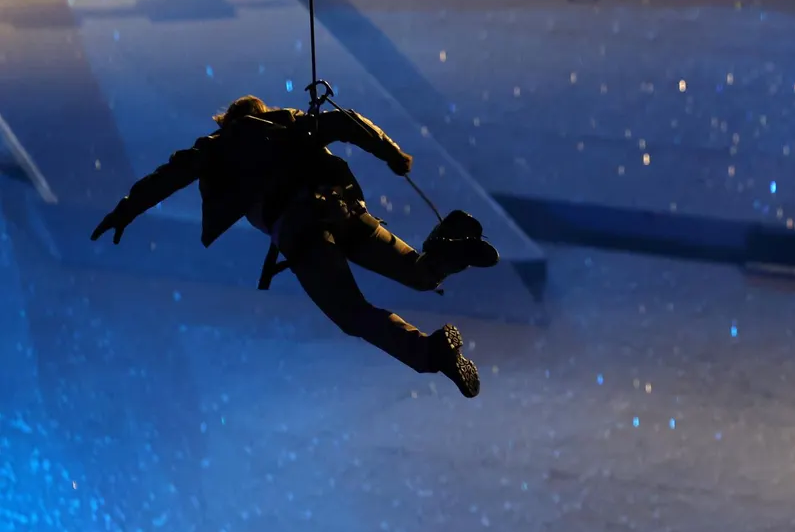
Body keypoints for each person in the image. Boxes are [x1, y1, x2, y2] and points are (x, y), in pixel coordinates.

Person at [89, 95, 498, 398]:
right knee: (421, 273)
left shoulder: (216, 148)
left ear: (227, 122)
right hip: (344, 210)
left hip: (301, 229)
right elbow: (345, 122)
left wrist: (126, 210)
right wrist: (391, 153)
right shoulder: (290, 123)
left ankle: (430, 352)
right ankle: (445, 252)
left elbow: (167, 176)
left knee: (352, 312)